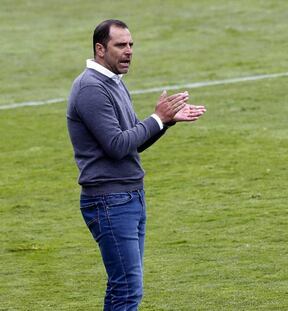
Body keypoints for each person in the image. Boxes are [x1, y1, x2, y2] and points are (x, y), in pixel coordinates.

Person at [66, 19, 206, 310]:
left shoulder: (113, 82)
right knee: (127, 290)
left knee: (124, 286)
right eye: (121, 45)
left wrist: (165, 123)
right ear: (100, 49)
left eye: (131, 45)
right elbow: (117, 146)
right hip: (110, 200)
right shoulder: (91, 88)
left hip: (128, 197)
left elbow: (133, 142)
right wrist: (156, 118)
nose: (129, 51)